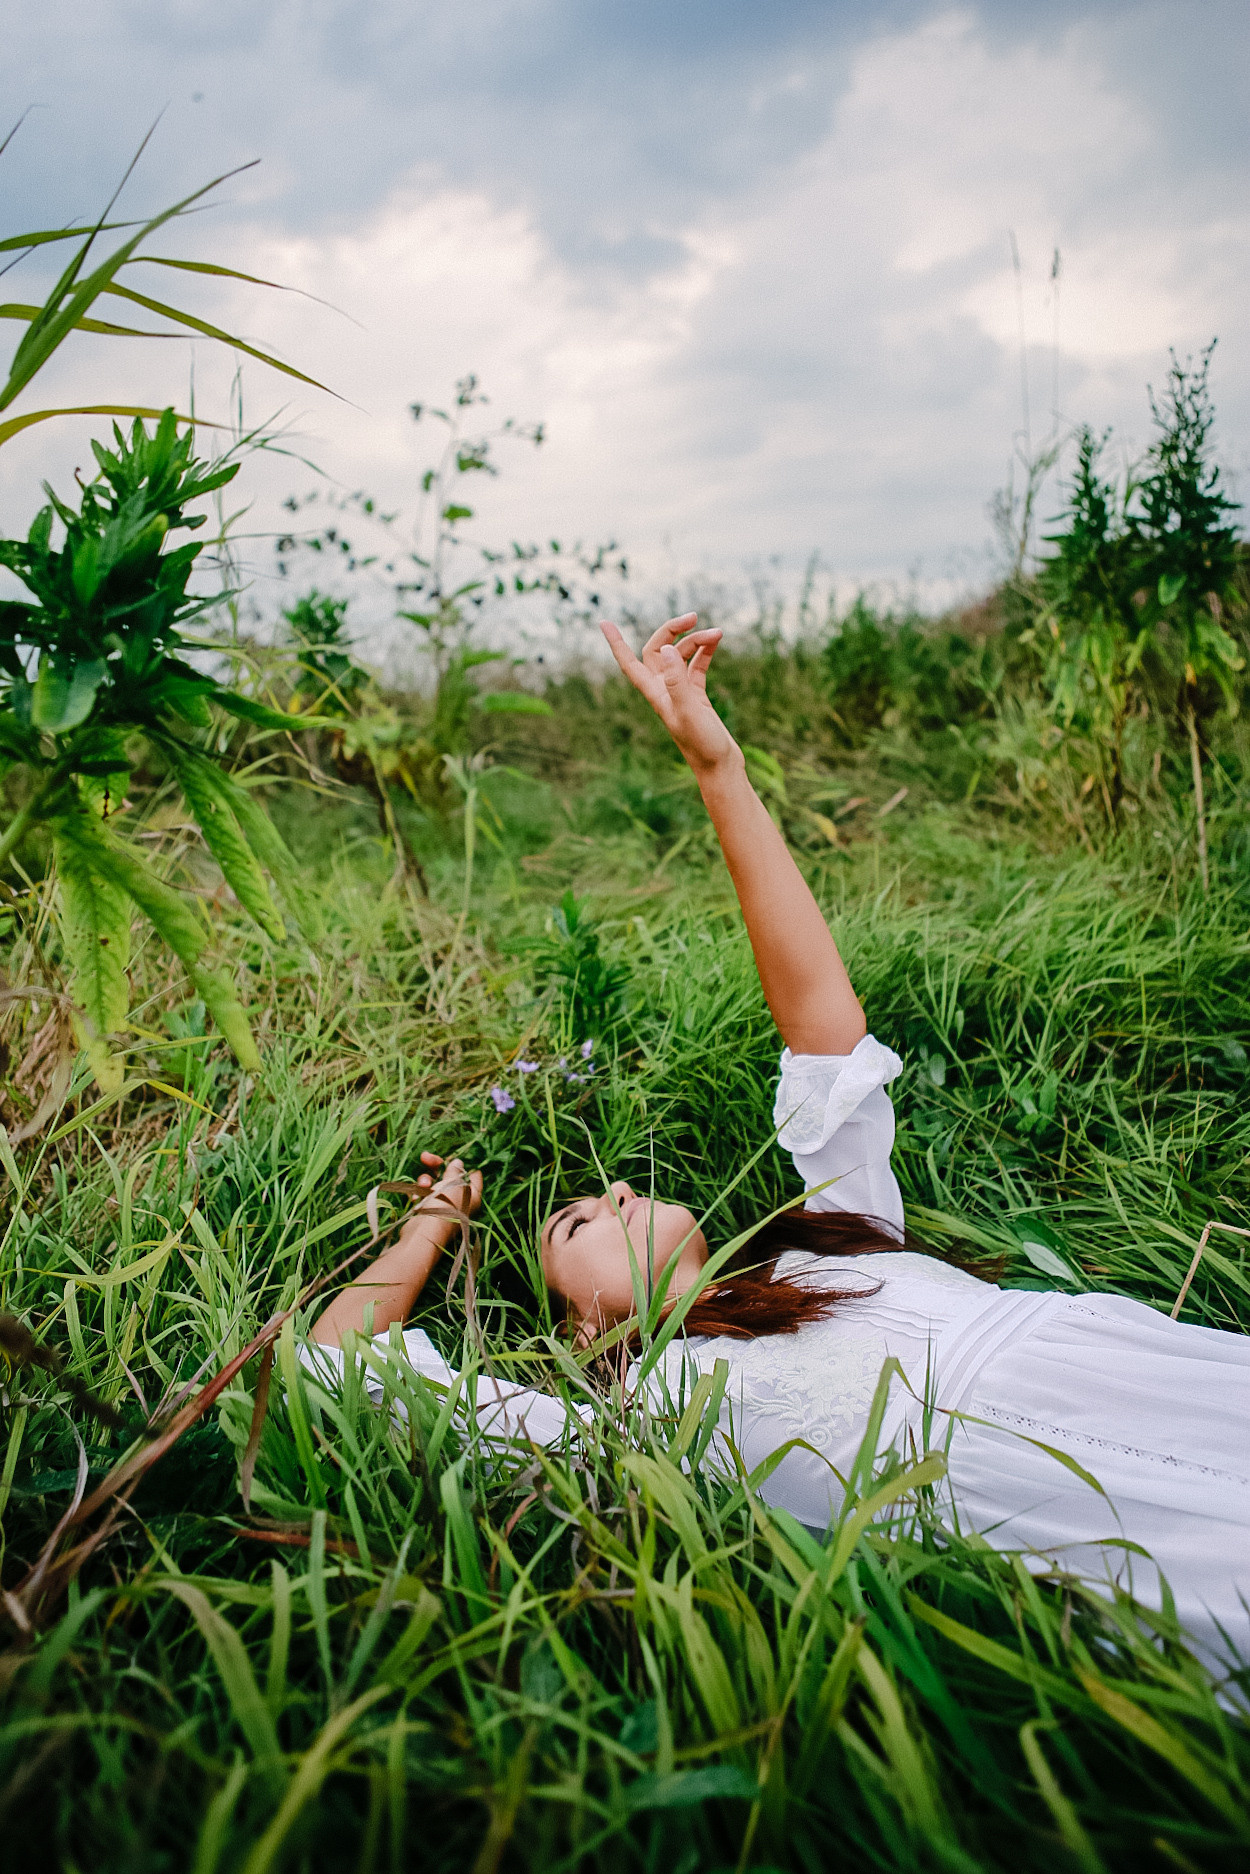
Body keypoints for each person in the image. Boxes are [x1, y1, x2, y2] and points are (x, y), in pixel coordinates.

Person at [308, 613, 1250, 1675]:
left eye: (600, 1186)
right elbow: (333, 1359)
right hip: (1058, 1521)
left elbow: (819, 1021)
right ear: (578, 1330)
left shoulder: (834, 1240)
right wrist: (436, 1219)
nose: (611, 1186)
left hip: (1130, 1370)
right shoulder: (636, 1429)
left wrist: (718, 766)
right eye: (572, 1218)